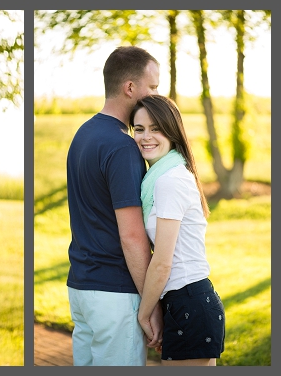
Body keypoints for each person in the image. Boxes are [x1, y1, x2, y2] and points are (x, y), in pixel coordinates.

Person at [65, 45, 163, 366]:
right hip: (115, 295)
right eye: (153, 87)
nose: (156, 95)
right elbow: (132, 236)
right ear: (130, 88)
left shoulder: (84, 134)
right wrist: (151, 306)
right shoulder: (122, 146)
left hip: (81, 290)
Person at [130, 95, 225, 366]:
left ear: (172, 131)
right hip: (186, 303)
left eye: (156, 128)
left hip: (189, 304)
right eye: (139, 129)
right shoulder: (164, 177)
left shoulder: (168, 181)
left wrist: (144, 314)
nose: (146, 137)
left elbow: (161, 264)